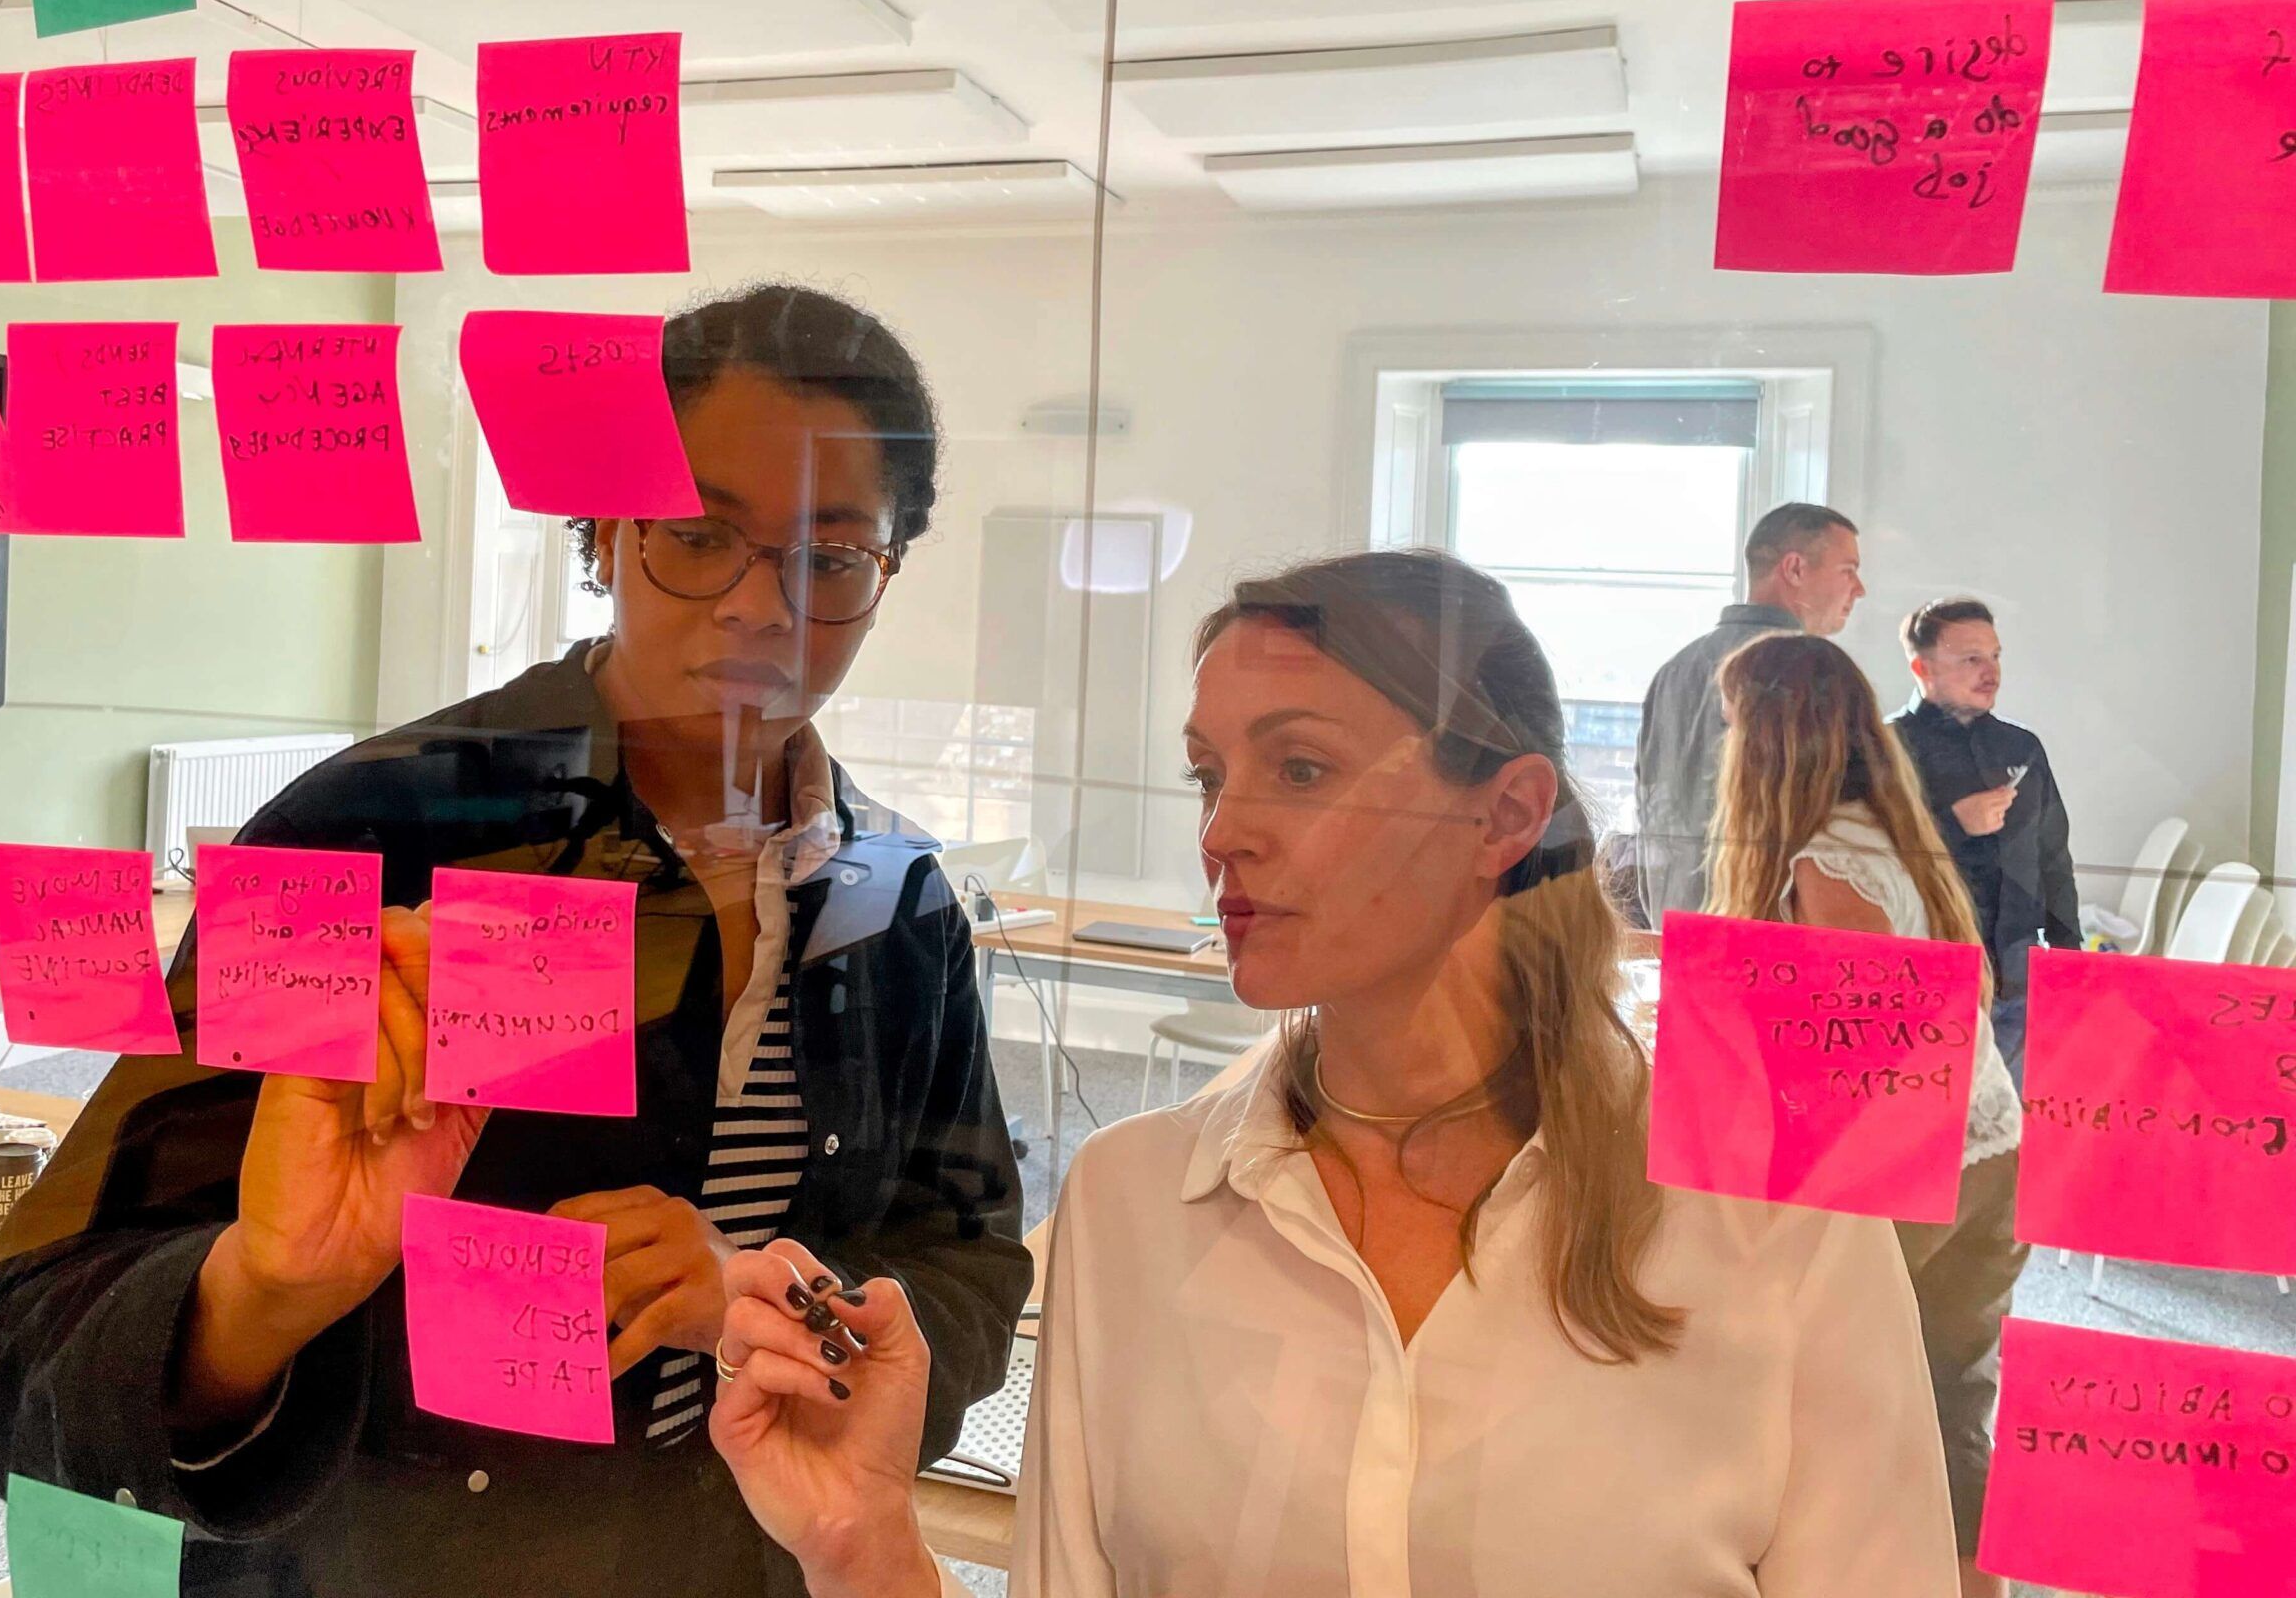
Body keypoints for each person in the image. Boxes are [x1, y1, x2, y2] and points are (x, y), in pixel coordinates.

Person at [0, 284, 1030, 1598]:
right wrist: (263, 1290)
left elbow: (967, 1270)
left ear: (885, 573)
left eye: (831, 554)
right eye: (699, 530)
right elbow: (31, 1349)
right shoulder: (378, 835)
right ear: (604, 530)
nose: (762, 605)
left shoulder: (894, 896)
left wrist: (768, 1301)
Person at [704, 549, 1955, 1598]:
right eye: (1211, 773)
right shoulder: (1132, 1201)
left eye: (1299, 768)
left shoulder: (1774, 1221)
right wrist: (871, 1553)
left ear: (1507, 815)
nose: (1220, 829)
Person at [1707, 633, 2027, 1598]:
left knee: (1827, 1396)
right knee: (1952, 1391)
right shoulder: (1890, 833)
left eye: (1734, 725)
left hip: (1908, 1160)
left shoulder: (1823, 859)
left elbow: (1862, 1052)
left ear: (1770, 740)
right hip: (1989, 1142)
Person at [1635, 503, 1865, 927]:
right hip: (1768, 945)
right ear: (1794, 568)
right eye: (1848, 570)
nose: (1860, 589)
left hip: (1678, 935)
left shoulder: (1673, 671)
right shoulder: (1810, 675)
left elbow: (1652, 809)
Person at [1888, 598, 2078, 1082]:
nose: (1990, 670)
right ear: (1922, 667)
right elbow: (1863, 859)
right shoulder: (1883, 749)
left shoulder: (2022, 747)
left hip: (2014, 967)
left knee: (2008, 1128)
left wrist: (2069, 957)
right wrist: (1952, 826)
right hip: (1921, 967)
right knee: (1928, 1124)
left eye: (1995, 656)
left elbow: (2052, 854)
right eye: (1971, 658)